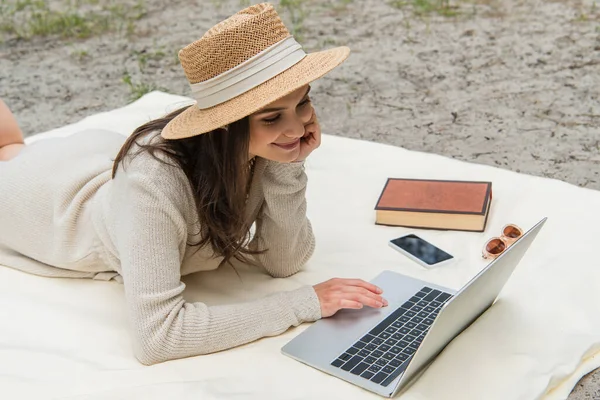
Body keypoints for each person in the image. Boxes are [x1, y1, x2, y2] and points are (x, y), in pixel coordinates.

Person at [0, 3, 387, 365]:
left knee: (14, 146)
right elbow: (158, 338)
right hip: (46, 203)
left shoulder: (259, 149)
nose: (296, 127)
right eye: (272, 118)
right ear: (225, 125)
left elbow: (283, 262)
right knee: (11, 151)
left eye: (302, 103)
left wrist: (291, 162)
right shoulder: (152, 183)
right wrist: (302, 304)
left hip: (96, 164)